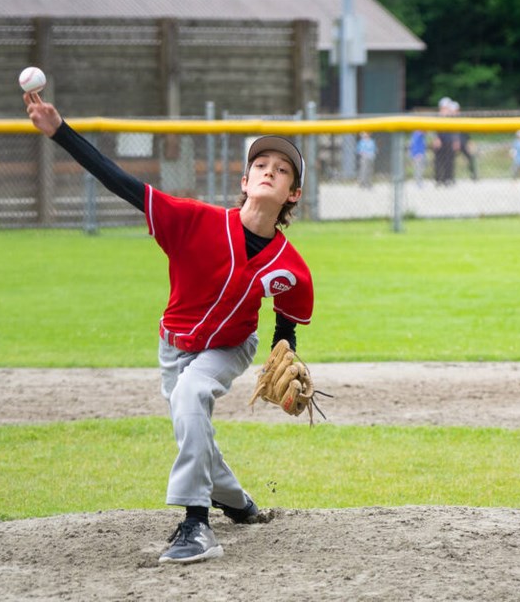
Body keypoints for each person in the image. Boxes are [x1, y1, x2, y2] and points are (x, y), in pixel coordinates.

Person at [24, 91, 315, 564]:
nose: (270, 171)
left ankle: (196, 524)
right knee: (189, 419)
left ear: (293, 194)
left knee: (190, 397)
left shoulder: (290, 265)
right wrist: (60, 131)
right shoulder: (193, 221)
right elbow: (121, 182)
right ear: (244, 179)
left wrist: (286, 353)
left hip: (230, 346)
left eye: (282, 170)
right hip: (173, 346)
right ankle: (237, 503)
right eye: (261, 164)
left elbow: (287, 318)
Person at [432, 97, 458, 185]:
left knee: (449, 161)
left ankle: (448, 178)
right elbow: (433, 129)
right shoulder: (437, 117)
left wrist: (455, 141)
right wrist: (436, 139)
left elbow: (455, 130)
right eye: (445, 107)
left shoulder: (451, 118)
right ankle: (438, 179)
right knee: (438, 161)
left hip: (448, 141)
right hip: (439, 140)